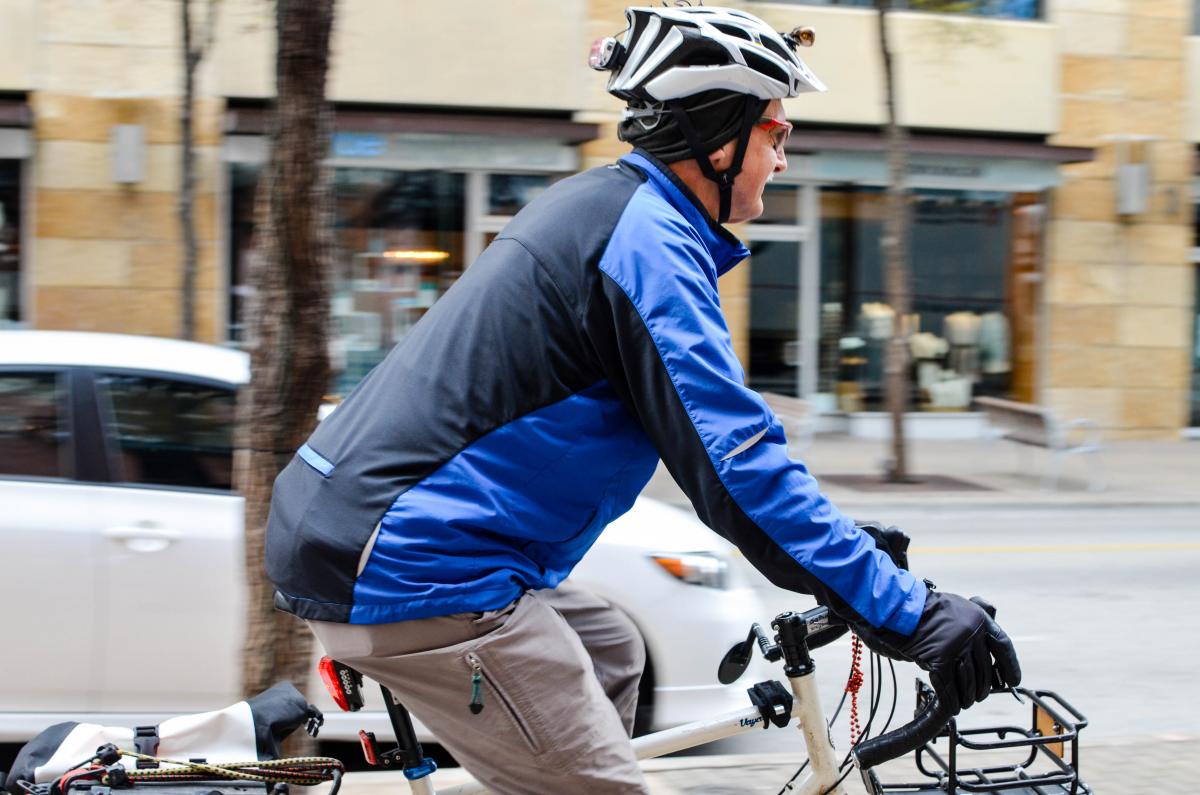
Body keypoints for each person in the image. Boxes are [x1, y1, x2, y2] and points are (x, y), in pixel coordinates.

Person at [263, 7, 1020, 793]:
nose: (784, 158)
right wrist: (909, 610)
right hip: (415, 563)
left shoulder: (613, 210)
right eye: (776, 134)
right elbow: (737, 466)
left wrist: (844, 554)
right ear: (720, 140)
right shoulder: (647, 245)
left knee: (612, 649)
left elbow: (724, 451)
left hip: (374, 534)